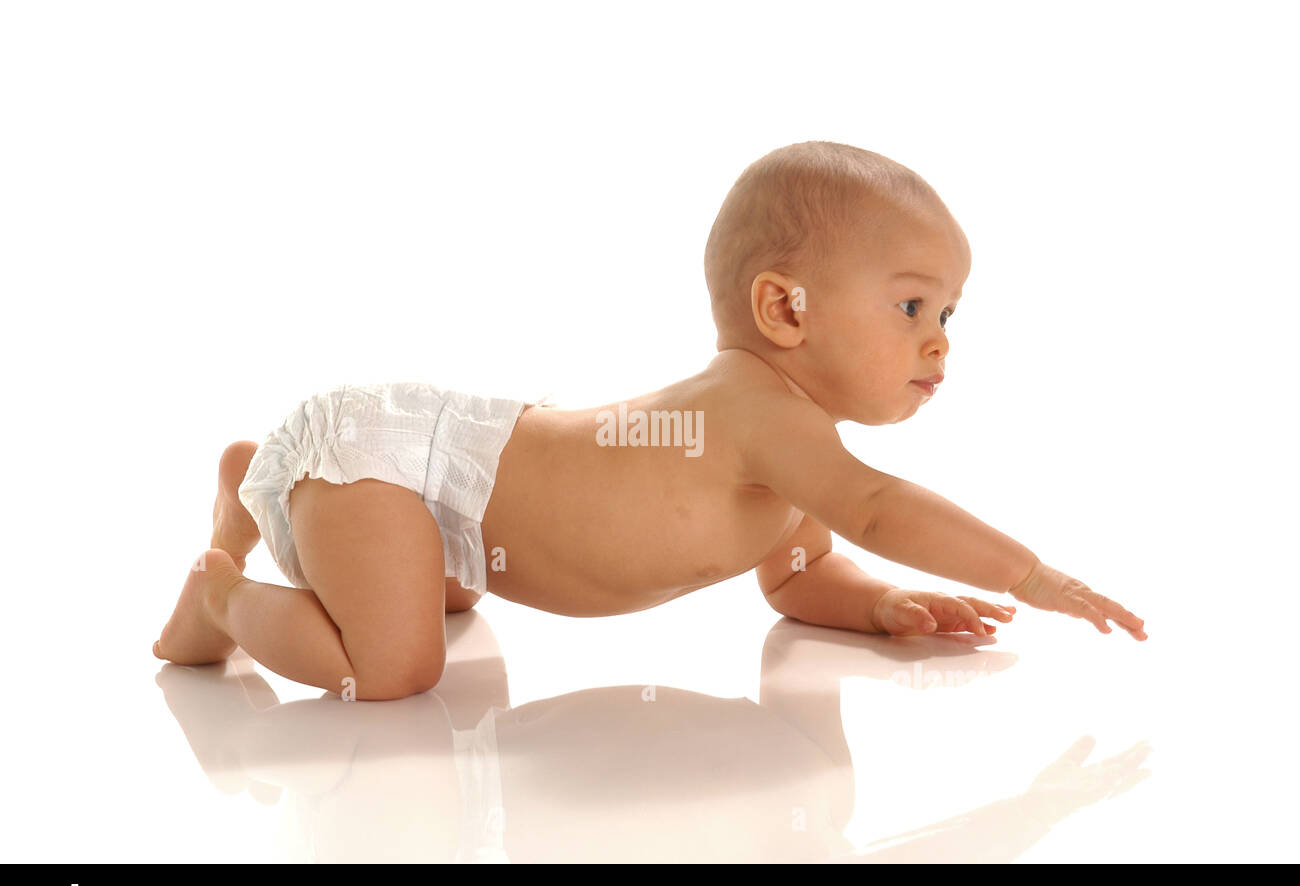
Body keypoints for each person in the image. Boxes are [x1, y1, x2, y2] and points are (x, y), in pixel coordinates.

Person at [157, 141, 1147, 700]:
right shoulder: (753, 414)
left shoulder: (792, 451)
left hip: (444, 499)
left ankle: (261, 474)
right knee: (394, 667)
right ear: (784, 309)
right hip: (385, 461)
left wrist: (881, 607)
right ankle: (221, 597)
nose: (937, 342)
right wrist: (1030, 575)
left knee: (449, 600)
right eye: (908, 307)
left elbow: (802, 578)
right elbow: (878, 510)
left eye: (946, 315)